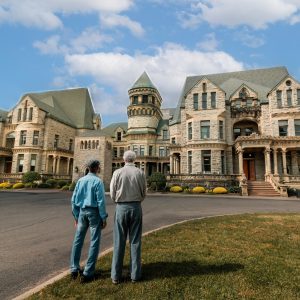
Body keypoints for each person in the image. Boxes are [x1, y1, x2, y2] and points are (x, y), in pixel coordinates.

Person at [110, 150, 147, 284]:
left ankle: (115, 275)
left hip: (121, 207)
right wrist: (137, 200)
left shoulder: (117, 172)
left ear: (124, 159)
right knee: (135, 240)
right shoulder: (140, 172)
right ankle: (135, 275)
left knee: (119, 240)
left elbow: (112, 192)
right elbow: (144, 191)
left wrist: (118, 201)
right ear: (134, 160)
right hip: (136, 206)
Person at [70, 159, 108, 283]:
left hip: (81, 212)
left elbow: (73, 200)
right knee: (94, 241)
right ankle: (88, 272)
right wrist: (103, 217)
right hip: (94, 213)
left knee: (78, 240)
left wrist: (76, 216)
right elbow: (101, 202)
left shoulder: (80, 180)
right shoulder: (98, 181)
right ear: (97, 168)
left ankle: (74, 269)